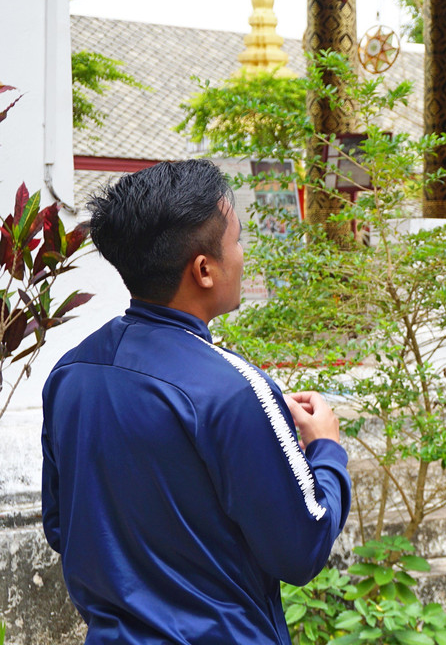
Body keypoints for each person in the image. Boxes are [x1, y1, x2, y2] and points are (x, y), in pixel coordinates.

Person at [41, 159, 350, 645]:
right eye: (238, 241)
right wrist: (327, 449)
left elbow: (63, 527)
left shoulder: (73, 372)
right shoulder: (234, 391)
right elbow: (301, 549)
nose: (244, 255)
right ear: (204, 269)